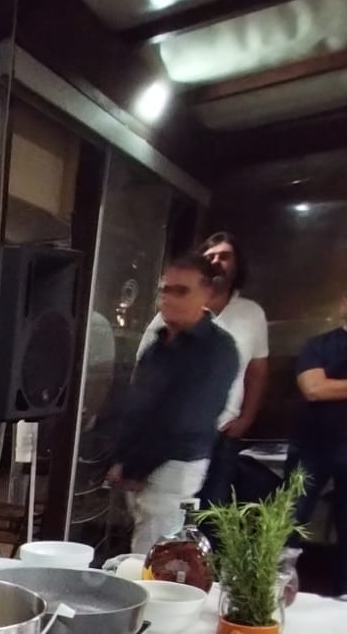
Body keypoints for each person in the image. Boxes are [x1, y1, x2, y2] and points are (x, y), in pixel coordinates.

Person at [106, 253, 238, 555]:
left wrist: (134, 468)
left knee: (153, 555)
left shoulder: (217, 349)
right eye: (165, 289)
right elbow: (137, 407)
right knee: (142, 547)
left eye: (181, 291)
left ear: (207, 293)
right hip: (139, 461)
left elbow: (184, 421)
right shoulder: (159, 344)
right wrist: (121, 459)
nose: (168, 298)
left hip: (174, 465)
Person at [135, 230, 268, 506]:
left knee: (211, 507)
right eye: (211, 256)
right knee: (158, 512)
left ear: (237, 263)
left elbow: (257, 370)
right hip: (168, 438)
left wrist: (247, 418)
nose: (218, 261)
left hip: (223, 428)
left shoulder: (250, 314)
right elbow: (144, 369)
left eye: (225, 256)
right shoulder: (169, 314)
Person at [290, 281, 347, 602]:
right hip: (310, 447)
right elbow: (314, 389)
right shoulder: (319, 345)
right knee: (289, 522)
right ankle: (276, 586)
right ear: (346, 302)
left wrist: (337, 386)